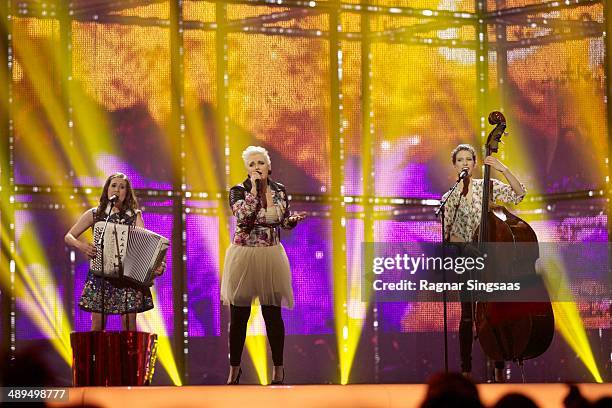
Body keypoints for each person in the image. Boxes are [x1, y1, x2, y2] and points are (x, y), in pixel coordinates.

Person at [220, 146, 306, 385]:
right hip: (244, 255)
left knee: (272, 315)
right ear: (247, 170)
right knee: (239, 316)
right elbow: (244, 217)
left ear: (269, 166)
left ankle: (278, 370)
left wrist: (290, 222)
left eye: (260, 163)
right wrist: (256, 192)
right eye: (251, 164)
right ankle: (234, 369)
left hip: (270, 255)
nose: (256, 167)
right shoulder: (238, 191)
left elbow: (279, 220)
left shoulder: (280, 190)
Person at [440, 144, 526, 382]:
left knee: (494, 314)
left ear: (475, 163)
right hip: (467, 261)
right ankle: (466, 371)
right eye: (460, 160)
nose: (465, 163)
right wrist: (469, 248)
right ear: (454, 165)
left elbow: (519, 194)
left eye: (469, 159)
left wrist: (502, 168)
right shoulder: (449, 197)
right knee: (467, 317)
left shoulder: (485, 187)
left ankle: (499, 369)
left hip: (492, 263)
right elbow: (448, 233)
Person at [64, 172, 165, 331]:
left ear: (127, 193)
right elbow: (69, 236)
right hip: (100, 277)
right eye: (114, 185)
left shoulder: (134, 216)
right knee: (97, 327)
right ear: (107, 190)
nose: (117, 190)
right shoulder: (95, 214)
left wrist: (156, 266)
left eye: (122, 187)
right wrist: (82, 246)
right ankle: (96, 356)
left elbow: (144, 247)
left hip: (127, 280)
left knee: (129, 328)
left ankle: (129, 356)